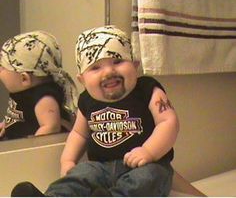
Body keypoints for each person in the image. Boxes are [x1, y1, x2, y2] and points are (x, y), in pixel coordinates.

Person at [11, 25, 179, 196]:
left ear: (135, 66)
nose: (108, 71)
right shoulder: (87, 100)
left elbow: (168, 122)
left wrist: (149, 151)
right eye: (95, 68)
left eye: (118, 61)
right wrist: (68, 160)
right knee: (80, 174)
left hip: (144, 165)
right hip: (101, 167)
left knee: (149, 177)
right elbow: (78, 134)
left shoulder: (146, 89)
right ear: (82, 79)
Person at [0, 31, 78, 140]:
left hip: (30, 151)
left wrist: (31, 148)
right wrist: (7, 124)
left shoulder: (44, 97)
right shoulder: (22, 91)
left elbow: (51, 127)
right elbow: (19, 114)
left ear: (24, 79)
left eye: (3, 67)